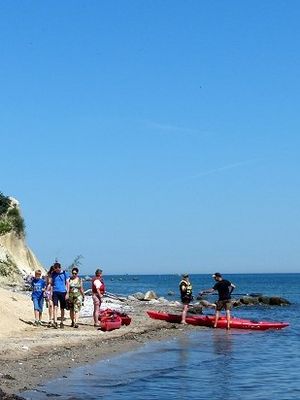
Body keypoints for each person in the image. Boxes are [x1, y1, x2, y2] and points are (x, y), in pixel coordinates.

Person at [49, 262, 69, 329]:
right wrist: (51, 293)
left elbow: (67, 283)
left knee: (62, 308)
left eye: (57, 269)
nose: (56, 271)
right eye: (55, 269)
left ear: (60, 268)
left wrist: (67, 293)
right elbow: (51, 284)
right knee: (55, 306)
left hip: (63, 292)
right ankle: (55, 321)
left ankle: (61, 322)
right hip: (55, 292)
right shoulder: (53, 274)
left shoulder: (64, 273)